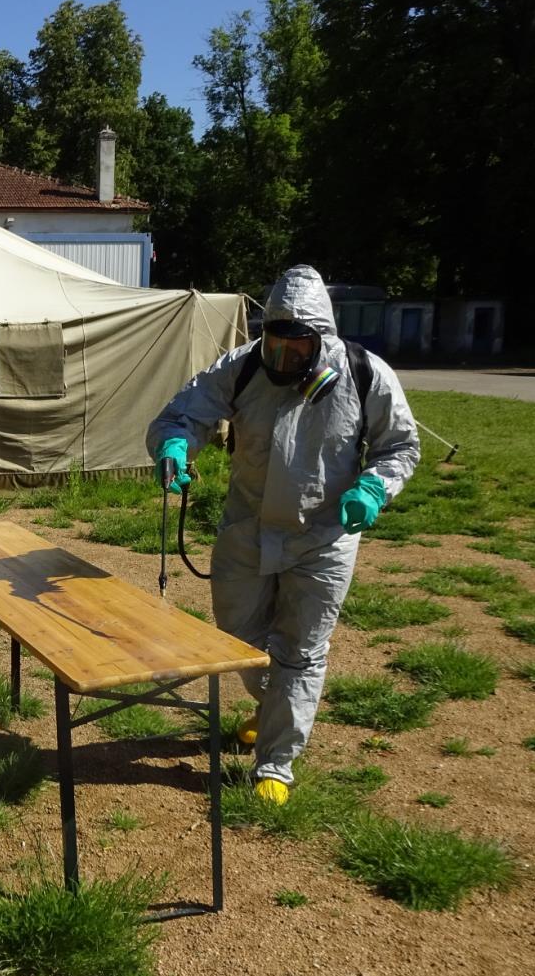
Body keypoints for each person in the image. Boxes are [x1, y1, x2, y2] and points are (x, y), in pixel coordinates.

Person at [147, 265, 420, 806]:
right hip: (248, 529)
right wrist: (175, 445)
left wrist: (373, 488)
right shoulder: (243, 367)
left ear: (322, 340)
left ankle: (276, 764)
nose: (284, 358)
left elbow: (400, 446)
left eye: (298, 348)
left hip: (324, 537)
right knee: (238, 639)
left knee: (301, 650)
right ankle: (272, 706)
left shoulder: (365, 373)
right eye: (275, 344)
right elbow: (184, 414)